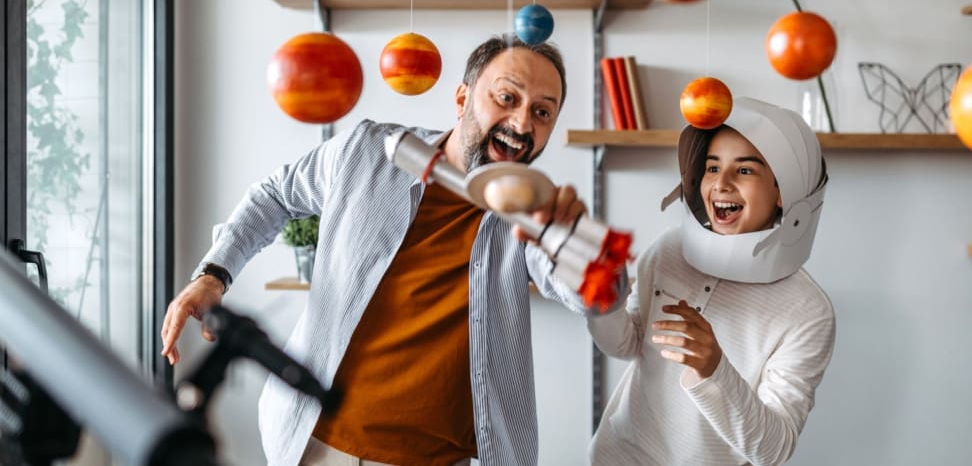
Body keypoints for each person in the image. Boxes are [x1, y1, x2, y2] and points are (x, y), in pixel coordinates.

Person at [160, 34, 627, 466]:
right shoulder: (367, 150)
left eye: (542, 112)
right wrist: (213, 273)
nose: (523, 122)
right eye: (507, 98)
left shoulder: (535, 216)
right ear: (462, 98)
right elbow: (275, 195)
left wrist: (577, 243)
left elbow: (591, 295)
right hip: (318, 447)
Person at [588, 97, 836, 465]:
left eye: (745, 170)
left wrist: (714, 368)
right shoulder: (671, 247)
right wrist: (602, 302)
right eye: (712, 167)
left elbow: (774, 450)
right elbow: (629, 344)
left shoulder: (808, 312)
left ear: (785, 192)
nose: (721, 183)